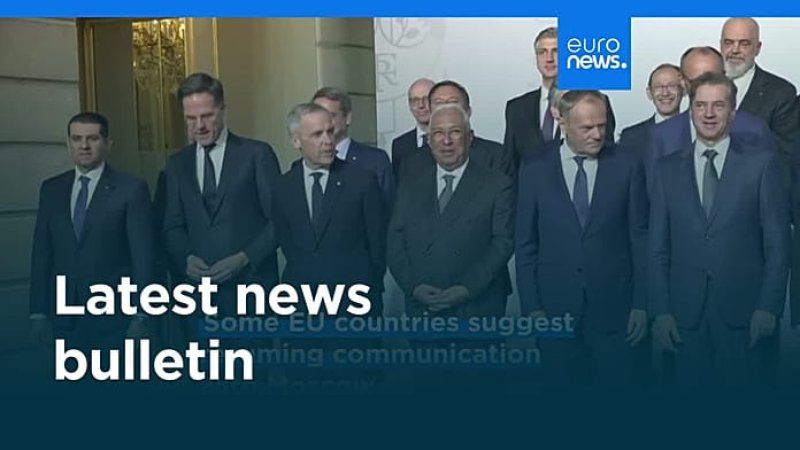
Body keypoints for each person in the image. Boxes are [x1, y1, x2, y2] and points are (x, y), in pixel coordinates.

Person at [649, 72, 790, 387]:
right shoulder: (666, 169)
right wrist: (661, 311)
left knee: (743, 408)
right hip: (683, 316)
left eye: (718, 105)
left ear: (733, 112)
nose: (709, 114)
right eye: (700, 105)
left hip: (745, 314)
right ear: (691, 110)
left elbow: (777, 244)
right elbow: (657, 247)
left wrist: (768, 307)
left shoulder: (761, 163)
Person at [516, 91, 649, 387]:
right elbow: (525, 244)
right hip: (554, 312)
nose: (597, 134)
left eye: (601, 126)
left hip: (615, 311)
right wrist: (532, 308)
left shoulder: (627, 164)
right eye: (587, 128)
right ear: (562, 122)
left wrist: (641, 304)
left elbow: (639, 240)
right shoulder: (535, 166)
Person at [163, 72, 281, 330]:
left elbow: (279, 221)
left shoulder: (256, 155)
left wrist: (244, 258)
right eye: (190, 118)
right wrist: (186, 258)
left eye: (207, 116)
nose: (199, 126)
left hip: (250, 291)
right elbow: (172, 224)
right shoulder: (177, 164)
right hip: (197, 297)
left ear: (223, 111)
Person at [30, 112, 154, 350]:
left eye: (93, 138)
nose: (84, 146)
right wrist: (38, 313)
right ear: (68, 144)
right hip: (64, 317)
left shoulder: (131, 189)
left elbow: (143, 257)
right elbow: (42, 253)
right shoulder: (52, 189)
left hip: (114, 317)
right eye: (76, 139)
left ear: (108, 143)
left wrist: (141, 314)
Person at [272, 102, 387, 314]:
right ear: (296, 141)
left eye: (330, 131)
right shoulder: (283, 187)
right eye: (317, 134)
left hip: (354, 303)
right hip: (301, 303)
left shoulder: (361, 181)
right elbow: (288, 243)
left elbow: (377, 245)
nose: (328, 141)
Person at [645, 46, 776, 185]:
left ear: (725, 77)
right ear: (683, 82)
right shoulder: (661, 136)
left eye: (714, 80)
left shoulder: (754, 130)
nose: (706, 89)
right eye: (697, 82)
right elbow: (654, 192)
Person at [504, 26, 616, 166]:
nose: (549, 59)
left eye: (556, 51)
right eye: (542, 52)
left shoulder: (595, 103)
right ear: (536, 58)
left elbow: (609, 158)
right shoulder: (516, 108)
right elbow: (509, 164)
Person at [720, 17, 800, 186]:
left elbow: (783, 160)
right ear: (721, 45)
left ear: (757, 48)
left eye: (744, 43)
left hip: (754, 192)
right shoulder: (703, 85)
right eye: (728, 42)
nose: (735, 50)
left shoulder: (781, 93)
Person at [398, 80, 515, 182]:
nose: (446, 109)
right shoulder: (412, 163)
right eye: (438, 103)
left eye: (453, 102)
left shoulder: (497, 157)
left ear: (468, 111)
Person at [312, 87, 395, 207]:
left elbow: (389, 208)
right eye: (317, 117)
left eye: (331, 116)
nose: (324, 123)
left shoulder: (375, 161)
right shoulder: (305, 164)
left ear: (347, 118)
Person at [618, 63, 684, 157]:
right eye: (658, 87)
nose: (665, 93)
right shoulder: (631, 137)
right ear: (649, 93)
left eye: (672, 85)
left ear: (684, 90)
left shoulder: (696, 133)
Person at [391, 78, 435, 179]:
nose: (421, 105)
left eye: (426, 99)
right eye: (415, 100)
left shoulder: (449, 140)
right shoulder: (399, 145)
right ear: (410, 106)